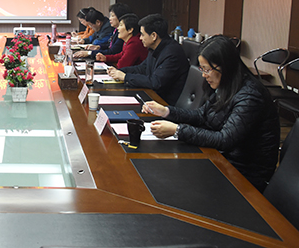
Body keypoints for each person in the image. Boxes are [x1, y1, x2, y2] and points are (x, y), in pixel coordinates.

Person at [143, 35, 280, 192]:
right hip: (221, 159)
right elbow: (202, 115)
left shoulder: (250, 96)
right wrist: (166, 111)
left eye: (207, 70)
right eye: (202, 69)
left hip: (244, 174)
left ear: (225, 66)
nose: (203, 75)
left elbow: (225, 139)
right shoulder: (227, 84)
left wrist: (178, 130)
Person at [107, 14, 189, 105]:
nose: (140, 38)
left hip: (164, 104)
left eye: (142, 34)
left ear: (154, 36)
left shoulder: (172, 53)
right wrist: (120, 71)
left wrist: (125, 77)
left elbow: (156, 82)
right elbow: (142, 68)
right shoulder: (154, 47)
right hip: (152, 97)